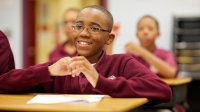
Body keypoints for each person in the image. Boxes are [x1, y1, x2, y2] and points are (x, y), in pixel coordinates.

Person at [0, 6, 171, 104]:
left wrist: (99, 80)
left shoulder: (122, 62)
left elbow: (163, 90)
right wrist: (48, 71)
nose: (83, 33)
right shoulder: (60, 67)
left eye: (94, 28)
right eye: (78, 26)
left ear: (109, 39)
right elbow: (5, 83)